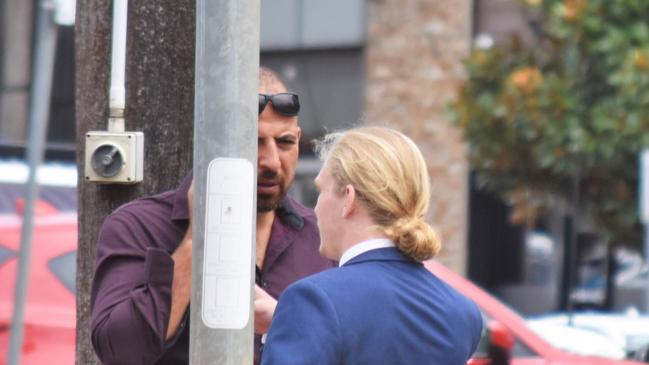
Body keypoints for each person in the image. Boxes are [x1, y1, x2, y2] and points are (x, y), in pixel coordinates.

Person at [90, 67, 335, 365]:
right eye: (253, 142)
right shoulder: (139, 226)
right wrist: (197, 239)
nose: (271, 161)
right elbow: (120, 353)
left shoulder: (321, 237)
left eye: (284, 143)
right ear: (212, 145)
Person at [261, 126, 483, 365]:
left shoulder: (312, 299)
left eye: (320, 191)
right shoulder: (462, 312)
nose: (315, 208)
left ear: (348, 198)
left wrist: (292, 320)